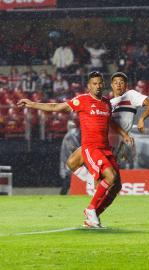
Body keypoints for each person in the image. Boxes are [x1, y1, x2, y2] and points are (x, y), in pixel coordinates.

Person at [17, 71, 134, 228]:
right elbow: (56, 107)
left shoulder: (107, 103)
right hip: (91, 148)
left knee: (117, 186)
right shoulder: (82, 100)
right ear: (89, 86)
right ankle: (91, 209)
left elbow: (111, 122)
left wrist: (124, 134)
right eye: (94, 83)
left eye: (100, 83)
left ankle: (93, 216)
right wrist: (32, 104)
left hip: (105, 148)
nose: (98, 86)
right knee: (110, 177)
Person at [66, 71, 149, 204]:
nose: (118, 85)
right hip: (99, 141)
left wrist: (142, 119)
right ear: (111, 85)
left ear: (126, 85)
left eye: (121, 82)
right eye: (115, 82)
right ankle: (93, 195)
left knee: (106, 181)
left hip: (111, 146)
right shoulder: (108, 103)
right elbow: (109, 122)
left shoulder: (130, 95)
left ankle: (93, 212)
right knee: (72, 163)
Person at [59, 120, 80, 195]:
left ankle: (63, 193)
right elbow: (73, 148)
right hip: (71, 161)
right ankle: (63, 193)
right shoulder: (70, 136)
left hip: (69, 160)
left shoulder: (69, 135)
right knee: (68, 178)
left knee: (69, 178)